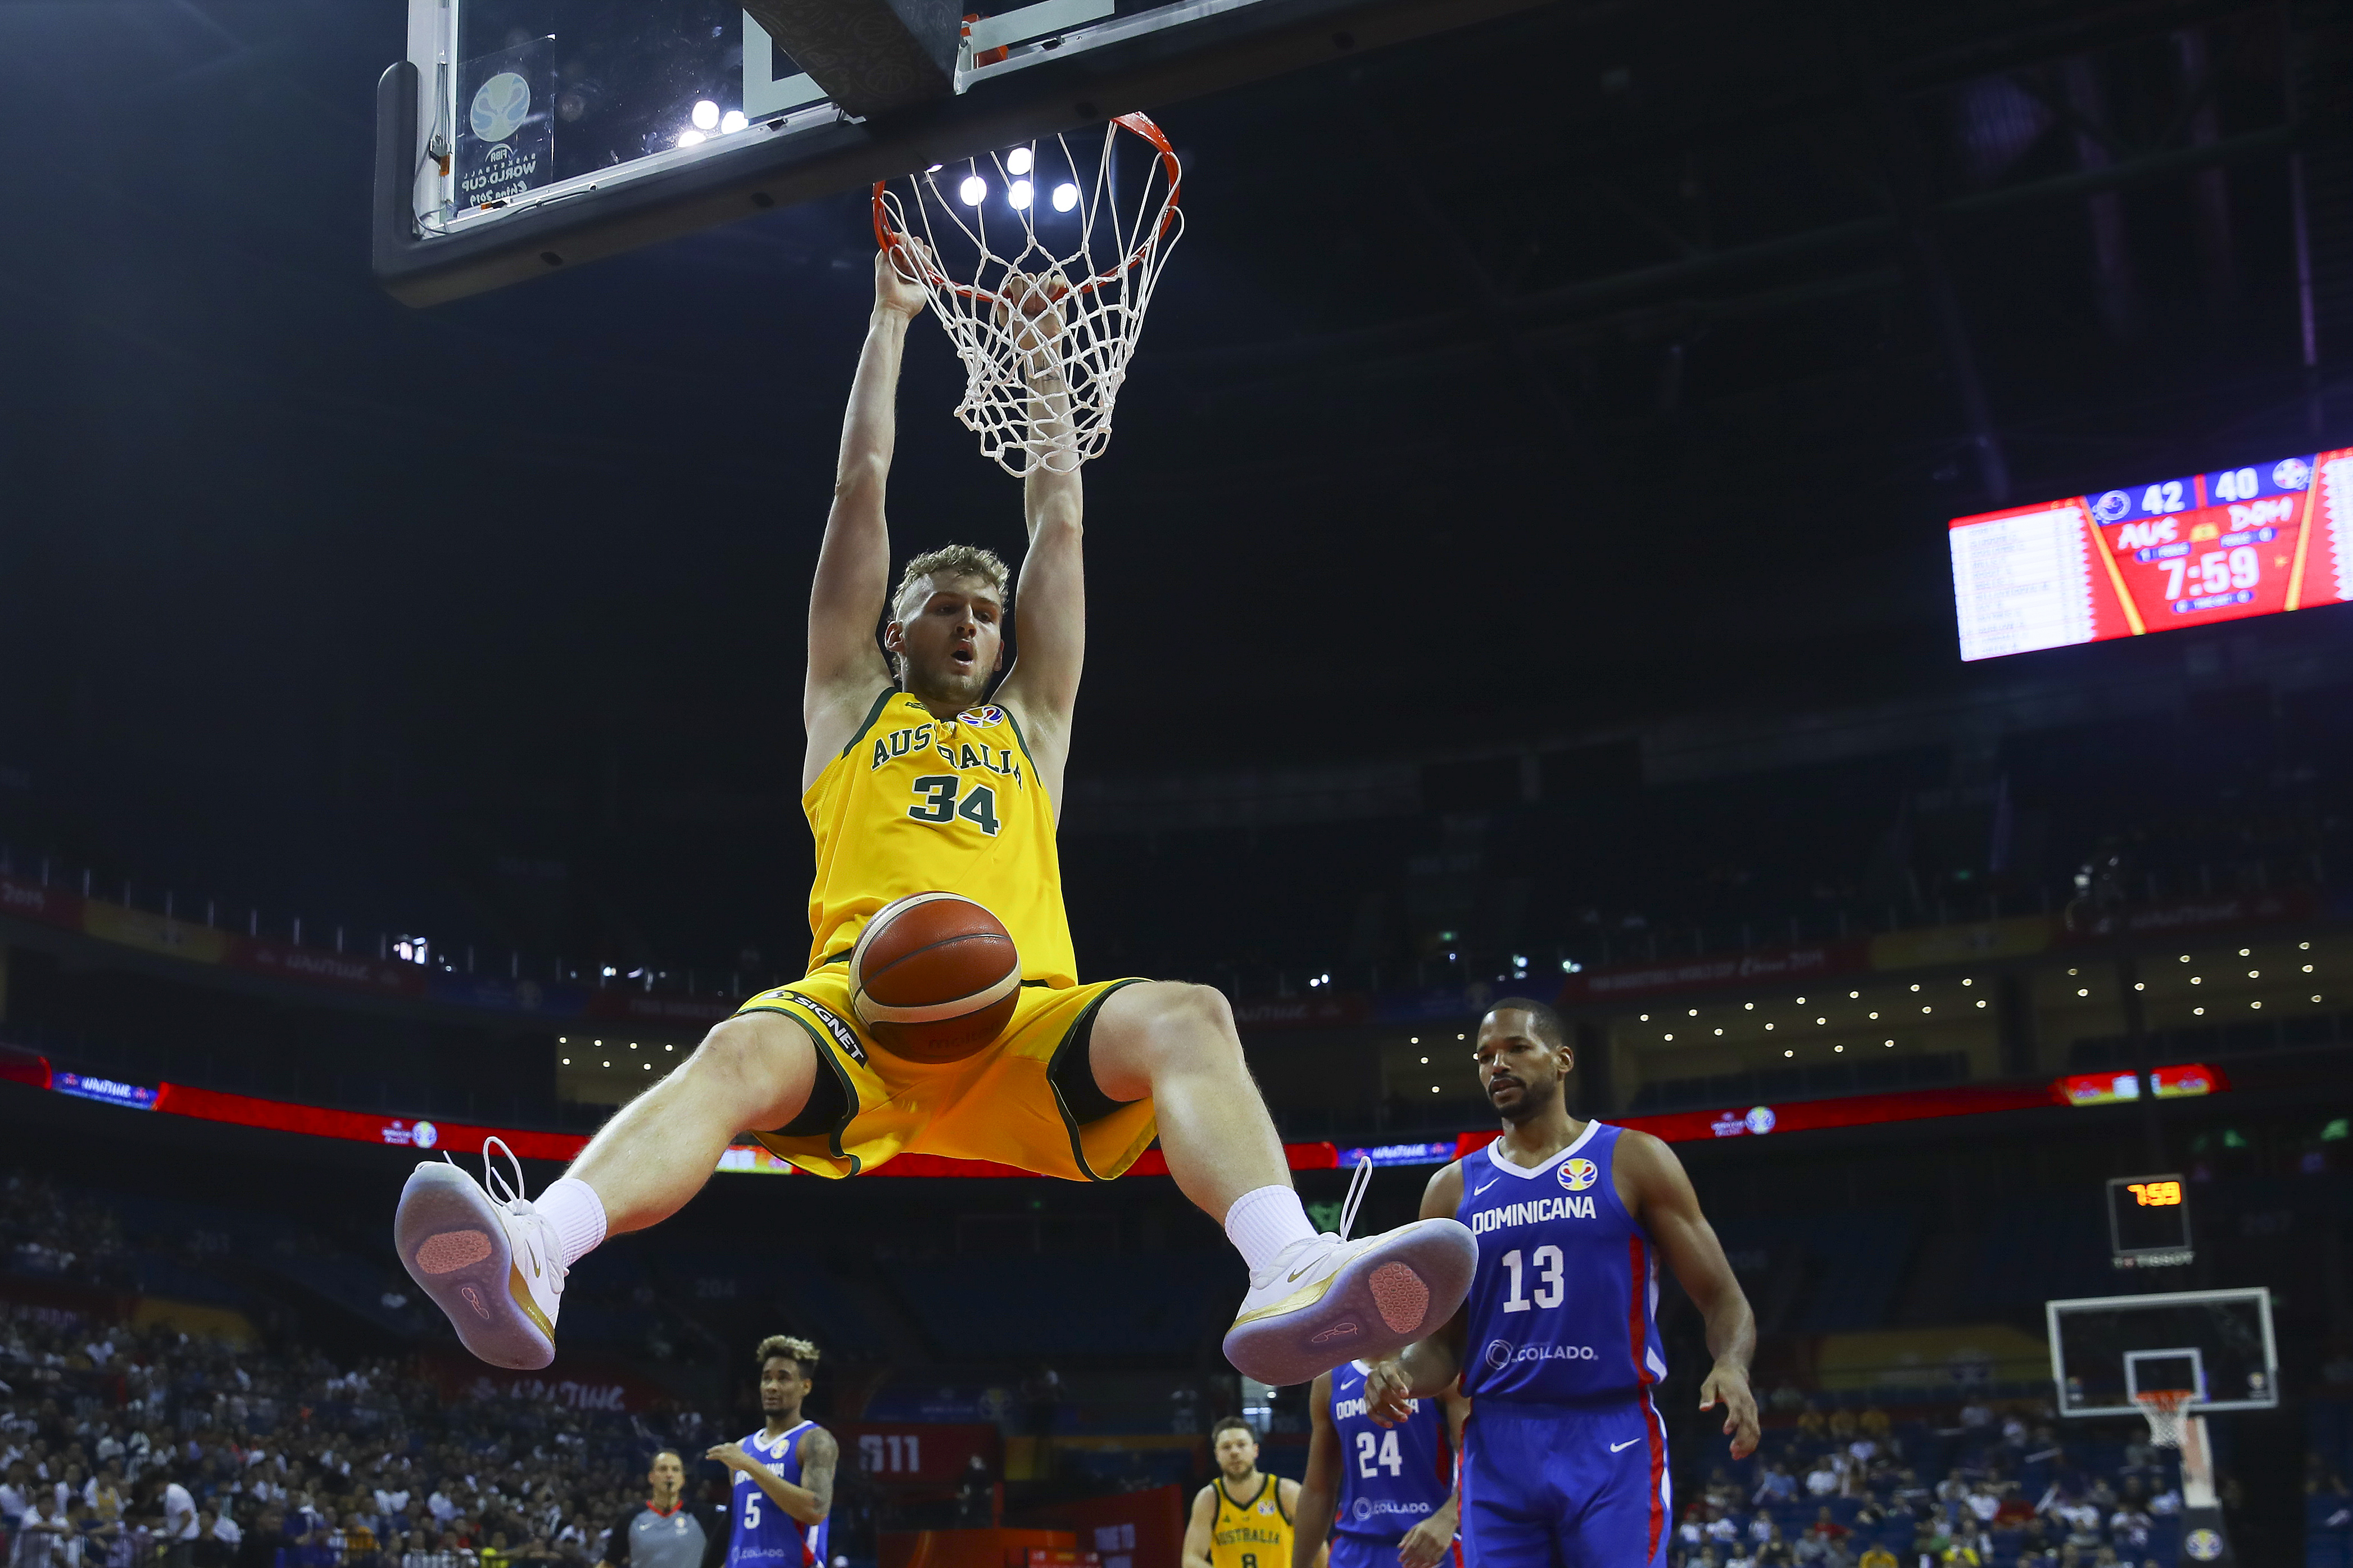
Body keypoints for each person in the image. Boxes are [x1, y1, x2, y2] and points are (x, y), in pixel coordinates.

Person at [391, 247, 1475, 1387]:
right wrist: (889, 322)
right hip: (860, 1008)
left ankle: (1288, 1265)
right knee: (737, 1048)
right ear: (893, 630)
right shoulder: (844, 703)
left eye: (985, 616)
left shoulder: (1033, 725)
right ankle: (534, 1254)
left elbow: (1058, 523)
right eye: (943, 608)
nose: (970, 626)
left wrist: (1046, 361)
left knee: (1188, 1015)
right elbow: (859, 485)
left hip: (1020, 1023)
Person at [1363, 999, 1761, 1568]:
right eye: (1484, 1056)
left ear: (1561, 1060)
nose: (1496, 1064)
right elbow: (1442, 1345)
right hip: (1497, 1441)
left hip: (1609, 1433)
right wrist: (1400, 1376)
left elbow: (1723, 1297)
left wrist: (1730, 1364)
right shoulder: (1449, 1191)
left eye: (1516, 1048)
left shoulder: (1633, 1159)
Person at [1293, 1365, 1465, 1568]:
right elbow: (1317, 1489)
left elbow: (1478, 1460)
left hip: (1427, 1545)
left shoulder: (1440, 1367)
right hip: (1354, 1549)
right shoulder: (1329, 1380)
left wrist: (1448, 1518)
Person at [704, 1338, 833, 1568]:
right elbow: (734, 1529)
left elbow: (815, 1510)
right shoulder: (743, 1447)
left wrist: (750, 1465)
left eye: (783, 1378)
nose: (772, 1386)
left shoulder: (815, 1440)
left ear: (806, 1386)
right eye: (767, 1378)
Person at [1184, 1421, 1307, 1568]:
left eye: (1241, 1445)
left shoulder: (1286, 1492)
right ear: (1217, 1455)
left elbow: (1318, 1546)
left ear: (1255, 1450)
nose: (1235, 1452)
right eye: (1226, 1447)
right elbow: (1191, 1559)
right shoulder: (1209, 1499)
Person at [594, 1452, 720, 1568]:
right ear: (651, 1477)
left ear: (682, 1479)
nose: (669, 1475)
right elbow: (608, 1564)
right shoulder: (630, 1518)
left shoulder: (704, 1515)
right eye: (663, 1469)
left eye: (676, 1470)